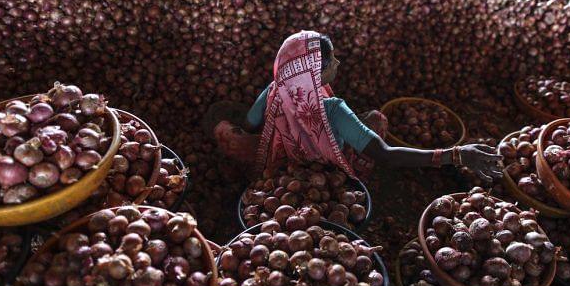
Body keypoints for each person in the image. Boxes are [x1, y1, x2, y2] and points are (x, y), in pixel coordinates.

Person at [214, 30, 503, 181]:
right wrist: (456, 154)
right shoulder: (333, 110)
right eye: (332, 61)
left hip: (276, 168)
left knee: (234, 133)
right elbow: (387, 155)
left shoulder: (275, 90)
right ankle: (355, 178)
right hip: (323, 177)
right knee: (376, 120)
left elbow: (252, 124)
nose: (337, 64)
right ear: (314, 73)